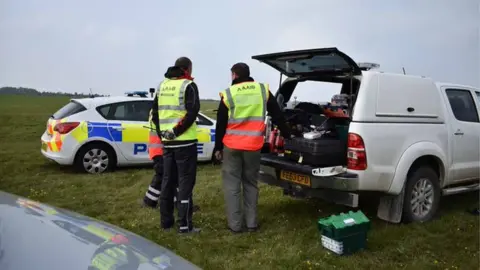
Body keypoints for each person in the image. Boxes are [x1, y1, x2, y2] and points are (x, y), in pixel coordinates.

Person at [214, 62, 291, 233]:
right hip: (253, 146)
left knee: (232, 185)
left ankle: (235, 226)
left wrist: (218, 148)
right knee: (250, 183)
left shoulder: (228, 94)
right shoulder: (262, 90)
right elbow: (277, 114)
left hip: (232, 146)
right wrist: (288, 135)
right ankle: (251, 224)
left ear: (234, 75)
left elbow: (221, 123)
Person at [151, 57, 201, 234]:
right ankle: (184, 226)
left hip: (167, 144)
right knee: (185, 184)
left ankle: (166, 223)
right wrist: (176, 131)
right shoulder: (188, 85)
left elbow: (155, 114)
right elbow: (192, 112)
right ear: (188, 69)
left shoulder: (161, 86)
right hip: (185, 143)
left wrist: (163, 136)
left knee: (167, 183)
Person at [141, 110, 200, 212]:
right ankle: (176, 203)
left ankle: (151, 201)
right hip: (163, 148)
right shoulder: (165, 110)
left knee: (166, 176)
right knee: (169, 176)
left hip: (158, 148)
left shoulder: (158, 109)